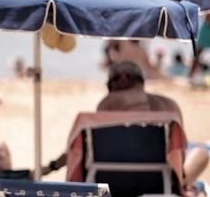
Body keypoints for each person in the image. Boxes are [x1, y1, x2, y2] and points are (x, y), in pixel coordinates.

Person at [44, 61, 209, 184]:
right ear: (140, 81)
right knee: (203, 150)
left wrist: (52, 167)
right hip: (160, 183)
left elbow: (79, 149)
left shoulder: (107, 104)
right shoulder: (169, 105)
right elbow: (180, 153)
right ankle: (185, 184)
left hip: (111, 182)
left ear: (120, 81)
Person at [191, 12, 210, 79]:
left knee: (198, 53)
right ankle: (191, 75)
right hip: (207, 27)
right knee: (197, 53)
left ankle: (191, 75)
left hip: (206, 26)